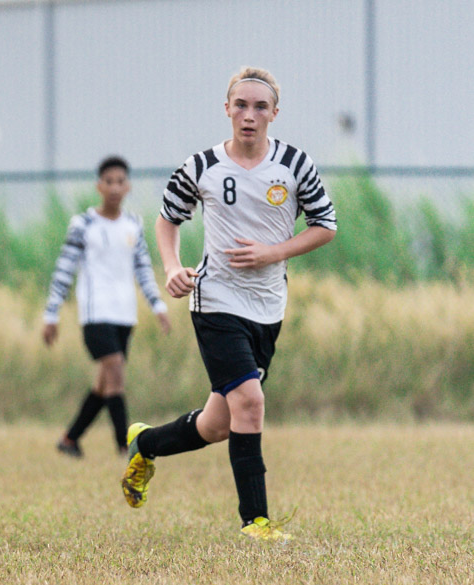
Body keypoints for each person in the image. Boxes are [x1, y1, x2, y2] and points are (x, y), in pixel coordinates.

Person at [119, 67, 336, 541]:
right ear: (227, 109)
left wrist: (273, 252)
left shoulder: (296, 165)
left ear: (274, 114)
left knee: (220, 423)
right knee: (251, 403)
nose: (249, 115)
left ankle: (146, 443)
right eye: (241, 105)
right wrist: (173, 267)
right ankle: (255, 522)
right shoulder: (202, 166)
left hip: (268, 307)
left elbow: (325, 225)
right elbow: (166, 220)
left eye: (260, 107)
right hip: (214, 299)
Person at [43, 156, 170, 457]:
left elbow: (142, 269)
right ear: (99, 186)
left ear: (128, 186)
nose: (114, 187)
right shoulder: (83, 224)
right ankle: (124, 445)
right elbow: (64, 270)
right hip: (95, 314)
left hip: (124, 315)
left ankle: (70, 439)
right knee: (114, 370)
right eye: (108, 181)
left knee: (105, 383)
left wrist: (158, 305)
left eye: (120, 181)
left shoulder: (133, 225)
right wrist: (51, 313)